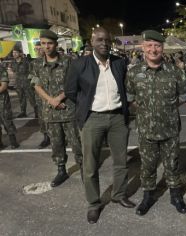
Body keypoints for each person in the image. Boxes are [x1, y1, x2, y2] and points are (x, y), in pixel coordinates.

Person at [65, 27, 135, 224]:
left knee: (121, 161)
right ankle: (94, 203)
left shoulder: (119, 63)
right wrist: (86, 107)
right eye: (100, 40)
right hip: (92, 119)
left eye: (107, 40)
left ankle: (119, 194)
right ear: (92, 41)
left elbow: (124, 86)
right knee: (90, 164)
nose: (104, 43)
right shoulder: (80, 64)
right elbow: (70, 91)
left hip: (117, 119)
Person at [126, 30, 186, 216]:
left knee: (173, 164)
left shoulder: (175, 72)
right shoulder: (134, 73)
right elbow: (130, 98)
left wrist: (166, 108)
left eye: (157, 46)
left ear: (163, 48)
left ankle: (175, 195)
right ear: (143, 48)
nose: (153, 49)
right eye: (149, 46)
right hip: (146, 129)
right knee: (147, 165)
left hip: (170, 128)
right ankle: (148, 196)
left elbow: (183, 97)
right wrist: (147, 110)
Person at [30, 30, 83, 188]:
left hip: (68, 109)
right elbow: (36, 85)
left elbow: (74, 83)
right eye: (43, 43)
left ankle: (83, 167)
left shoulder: (68, 61)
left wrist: (59, 99)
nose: (46, 46)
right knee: (56, 143)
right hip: (51, 112)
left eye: (50, 43)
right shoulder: (37, 63)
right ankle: (61, 170)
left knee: (76, 143)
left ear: (56, 44)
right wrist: (51, 101)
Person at [29, 41, 51, 148]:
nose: (38, 51)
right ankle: (46, 138)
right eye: (36, 49)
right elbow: (33, 81)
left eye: (39, 48)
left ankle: (61, 138)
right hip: (40, 96)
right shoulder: (34, 64)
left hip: (53, 95)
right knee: (42, 118)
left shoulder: (52, 60)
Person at [9, 47, 38, 118]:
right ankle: (23, 112)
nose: (14, 54)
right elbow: (13, 72)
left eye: (16, 52)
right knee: (21, 98)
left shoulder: (26, 61)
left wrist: (32, 82)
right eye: (13, 53)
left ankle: (37, 112)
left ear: (20, 53)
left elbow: (32, 71)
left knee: (32, 98)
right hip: (18, 83)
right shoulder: (13, 63)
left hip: (27, 83)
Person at [0, 62, 20, 149]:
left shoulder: (1, 69)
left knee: (7, 121)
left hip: (2, 100)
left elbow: (4, 86)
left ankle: (13, 142)